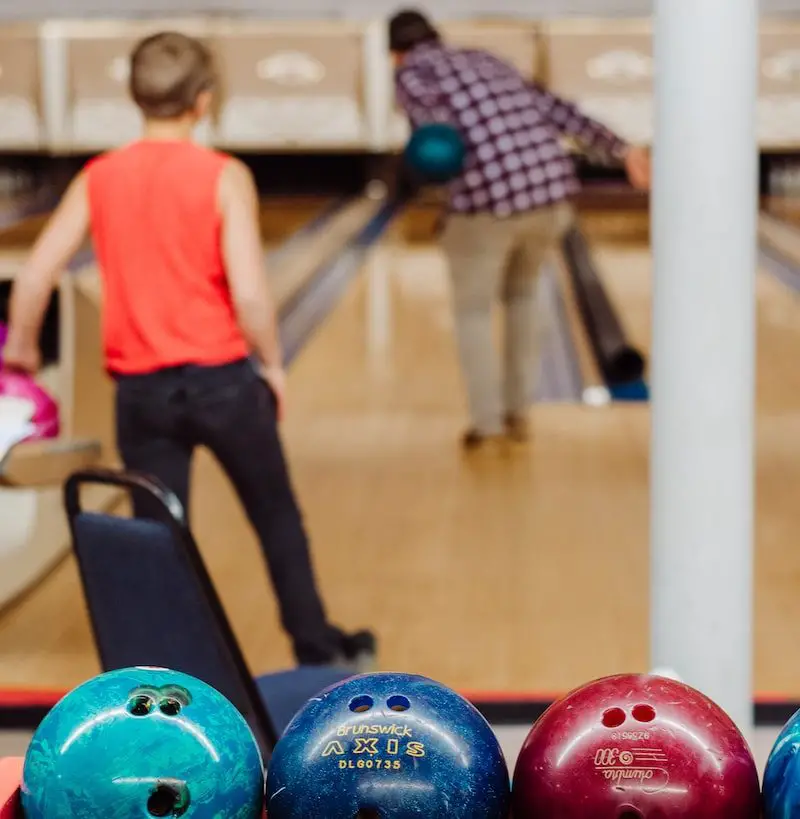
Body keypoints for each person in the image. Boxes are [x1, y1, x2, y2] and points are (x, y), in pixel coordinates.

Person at [2, 31, 376, 671]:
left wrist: (25, 353)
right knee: (276, 518)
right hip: (225, 383)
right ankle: (318, 651)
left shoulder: (99, 177)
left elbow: (35, 276)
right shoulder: (225, 176)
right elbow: (252, 293)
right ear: (204, 100)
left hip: (142, 396)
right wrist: (273, 365)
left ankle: (167, 675)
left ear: (134, 95)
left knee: (158, 540)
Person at [389, 9, 651, 450]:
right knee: (523, 298)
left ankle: (487, 425)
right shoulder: (486, 58)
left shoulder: (412, 74)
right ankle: (518, 413)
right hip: (551, 197)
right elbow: (558, 110)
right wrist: (622, 149)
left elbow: (437, 145)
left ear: (395, 53)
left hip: (489, 206)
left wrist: (417, 187)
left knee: (473, 312)